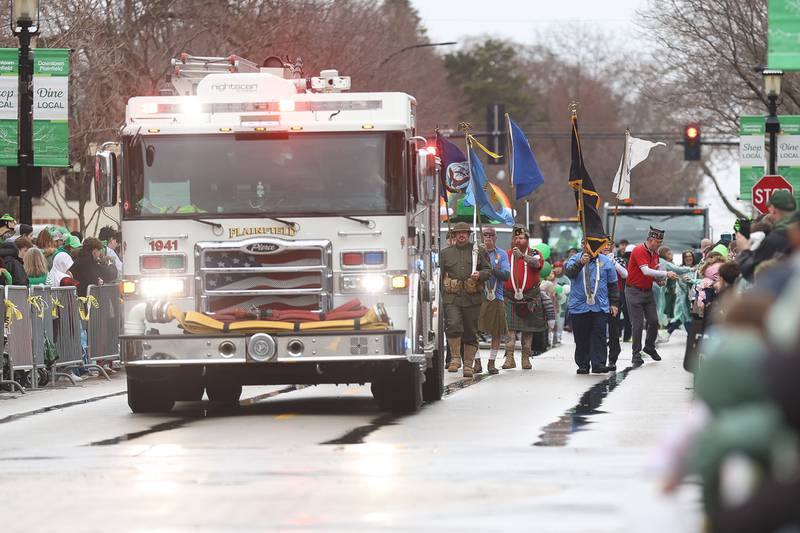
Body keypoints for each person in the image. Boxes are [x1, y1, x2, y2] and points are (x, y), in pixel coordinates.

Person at [440, 222, 491, 378]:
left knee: (470, 330)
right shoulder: (445, 253)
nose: (461, 235)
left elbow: (488, 270)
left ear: (469, 235)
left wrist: (480, 275)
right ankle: (455, 358)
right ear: (454, 235)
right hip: (452, 297)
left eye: (464, 233)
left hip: (472, 298)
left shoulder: (478, 252)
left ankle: (468, 364)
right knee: (453, 324)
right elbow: (439, 274)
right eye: (458, 233)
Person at [625, 226, 679, 366]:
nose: (659, 246)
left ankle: (649, 347)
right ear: (651, 240)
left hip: (647, 291)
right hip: (634, 291)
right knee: (637, 325)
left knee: (654, 321)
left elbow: (653, 273)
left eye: (660, 243)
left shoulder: (655, 254)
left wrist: (659, 280)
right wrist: (666, 274)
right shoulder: (639, 250)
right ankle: (635, 354)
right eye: (658, 243)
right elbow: (645, 271)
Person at [565, 242, 619, 374]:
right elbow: (569, 273)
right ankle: (583, 364)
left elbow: (613, 285)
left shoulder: (606, 261)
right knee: (581, 337)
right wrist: (580, 263)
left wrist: (614, 304)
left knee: (599, 335)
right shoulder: (575, 258)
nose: (590, 247)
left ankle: (598, 363)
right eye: (587, 244)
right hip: (579, 306)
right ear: (583, 244)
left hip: (600, 306)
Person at [502, 225, 543, 370]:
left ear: (527, 239)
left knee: (528, 330)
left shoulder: (534, 253)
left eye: (521, 238)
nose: (518, 240)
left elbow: (537, 264)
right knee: (510, 329)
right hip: (510, 297)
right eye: (516, 238)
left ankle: (526, 358)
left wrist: (523, 256)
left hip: (529, 297)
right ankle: (509, 358)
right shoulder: (506, 254)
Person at [473, 226, 510, 375]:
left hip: (497, 296)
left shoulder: (501, 255)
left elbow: (506, 276)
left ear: (495, 237)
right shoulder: (475, 253)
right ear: (481, 237)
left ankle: (491, 363)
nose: (488, 237)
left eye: (490, 235)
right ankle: (477, 363)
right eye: (485, 235)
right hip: (478, 296)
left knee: (496, 332)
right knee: (474, 330)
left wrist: (490, 269)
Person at [737, 190, 796, 281]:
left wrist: (745, 250)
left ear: (773, 210)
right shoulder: (793, 233)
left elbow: (752, 272)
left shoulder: (775, 239)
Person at [605, 240, 628, 369]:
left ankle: (612, 358)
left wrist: (613, 262)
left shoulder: (618, 260)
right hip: (599, 297)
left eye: (610, 245)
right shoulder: (595, 259)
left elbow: (625, 274)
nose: (607, 247)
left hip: (615, 296)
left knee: (614, 328)